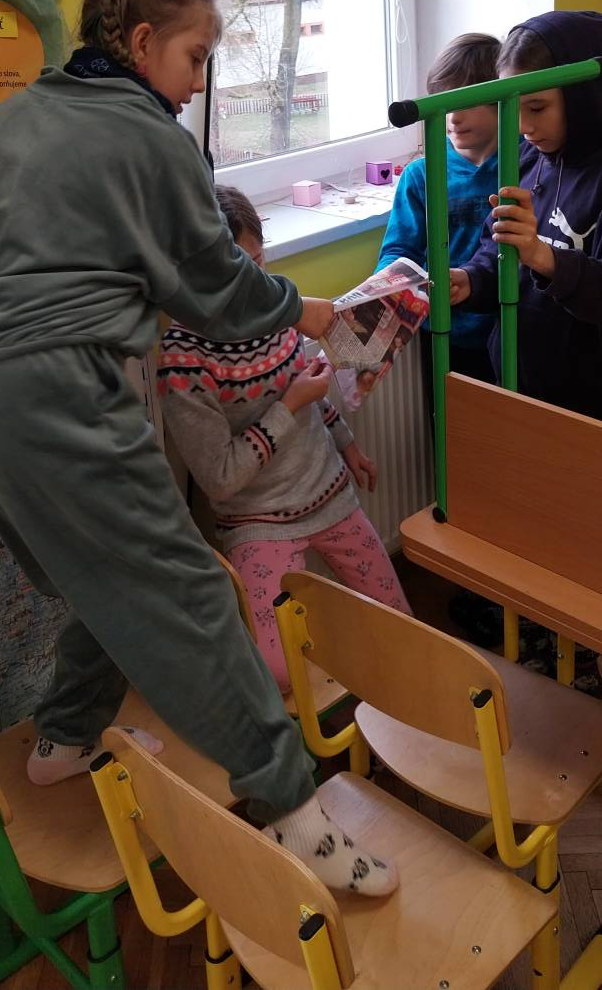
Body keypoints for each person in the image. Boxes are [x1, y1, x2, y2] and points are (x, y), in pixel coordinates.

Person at [0, 0, 396, 897]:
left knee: (100, 572)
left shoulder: (24, 113)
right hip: (57, 379)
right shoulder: (151, 136)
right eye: (195, 57)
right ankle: (296, 817)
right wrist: (306, 311)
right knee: (186, 589)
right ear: (141, 41)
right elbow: (218, 290)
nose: (198, 82)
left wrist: (17, 248)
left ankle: (64, 739)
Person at [450, 11, 602, 694]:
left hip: (589, 385)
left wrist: (546, 258)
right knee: (522, 523)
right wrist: (470, 281)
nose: (524, 124)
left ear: (586, 95)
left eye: (539, 107)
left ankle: (577, 658)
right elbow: (498, 251)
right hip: (520, 373)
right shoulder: (531, 159)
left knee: (575, 537)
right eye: (514, 107)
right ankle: (531, 631)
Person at [158, 186, 412, 691]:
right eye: (232, 272)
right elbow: (221, 479)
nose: (251, 284)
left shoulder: (279, 305)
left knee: (401, 628)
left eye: (256, 262)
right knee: (277, 675)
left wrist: (348, 445)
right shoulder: (182, 359)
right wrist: (289, 404)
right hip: (257, 521)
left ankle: (391, 706)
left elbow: (310, 390)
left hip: (329, 495)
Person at [376, 33, 501, 413]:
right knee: (450, 432)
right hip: (444, 333)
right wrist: (382, 289)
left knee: (508, 433)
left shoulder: (527, 164)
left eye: (465, 103)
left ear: (501, 99)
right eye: (443, 103)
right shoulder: (421, 174)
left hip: (507, 328)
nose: (452, 117)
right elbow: (399, 250)